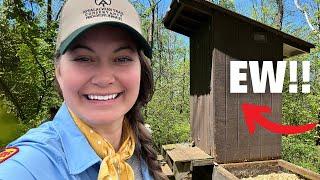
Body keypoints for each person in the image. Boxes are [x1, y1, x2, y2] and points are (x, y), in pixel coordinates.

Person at [0, 0, 167, 179]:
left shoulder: (135, 147)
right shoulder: (27, 167)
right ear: (59, 72)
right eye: (83, 59)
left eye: (122, 59)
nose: (104, 79)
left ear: (141, 69)